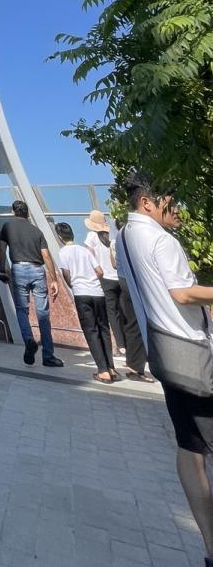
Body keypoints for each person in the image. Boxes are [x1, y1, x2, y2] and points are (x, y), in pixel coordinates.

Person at [115, 172, 213, 567]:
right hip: (193, 355)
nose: (179, 211)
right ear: (148, 202)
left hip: (165, 355)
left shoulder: (123, 237)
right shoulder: (160, 240)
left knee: (190, 448)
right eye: (172, 202)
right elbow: (183, 294)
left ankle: (210, 547)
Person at [84, 208, 154, 383]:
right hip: (121, 279)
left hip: (105, 280)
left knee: (111, 314)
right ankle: (130, 354)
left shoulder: (92, 237)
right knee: (127, 316)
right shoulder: (113, 238)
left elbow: (90, 258)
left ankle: (121, 346)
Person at [0, 199, 63, 368]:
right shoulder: (36, 231)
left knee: (21, 309)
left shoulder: (7, 227)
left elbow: (2, 249)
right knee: (43, 314)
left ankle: (28, 339)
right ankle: (48, 356)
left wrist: (3, 270)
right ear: (27, 213)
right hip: (37, 270)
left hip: (18, 269)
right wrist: (54, 279)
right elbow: (46, 255)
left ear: (13, 212)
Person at [56, 222, 116, 384]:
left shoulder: (63, 252)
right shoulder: (84, 250)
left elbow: (66, 274)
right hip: (98, 293)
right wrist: (92, 280)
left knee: (91, 331)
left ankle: (103, 371)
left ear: (60, 237)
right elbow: (100, 271)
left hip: (81, 293)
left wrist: (74, 284)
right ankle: (111, 367)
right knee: (104, 329)